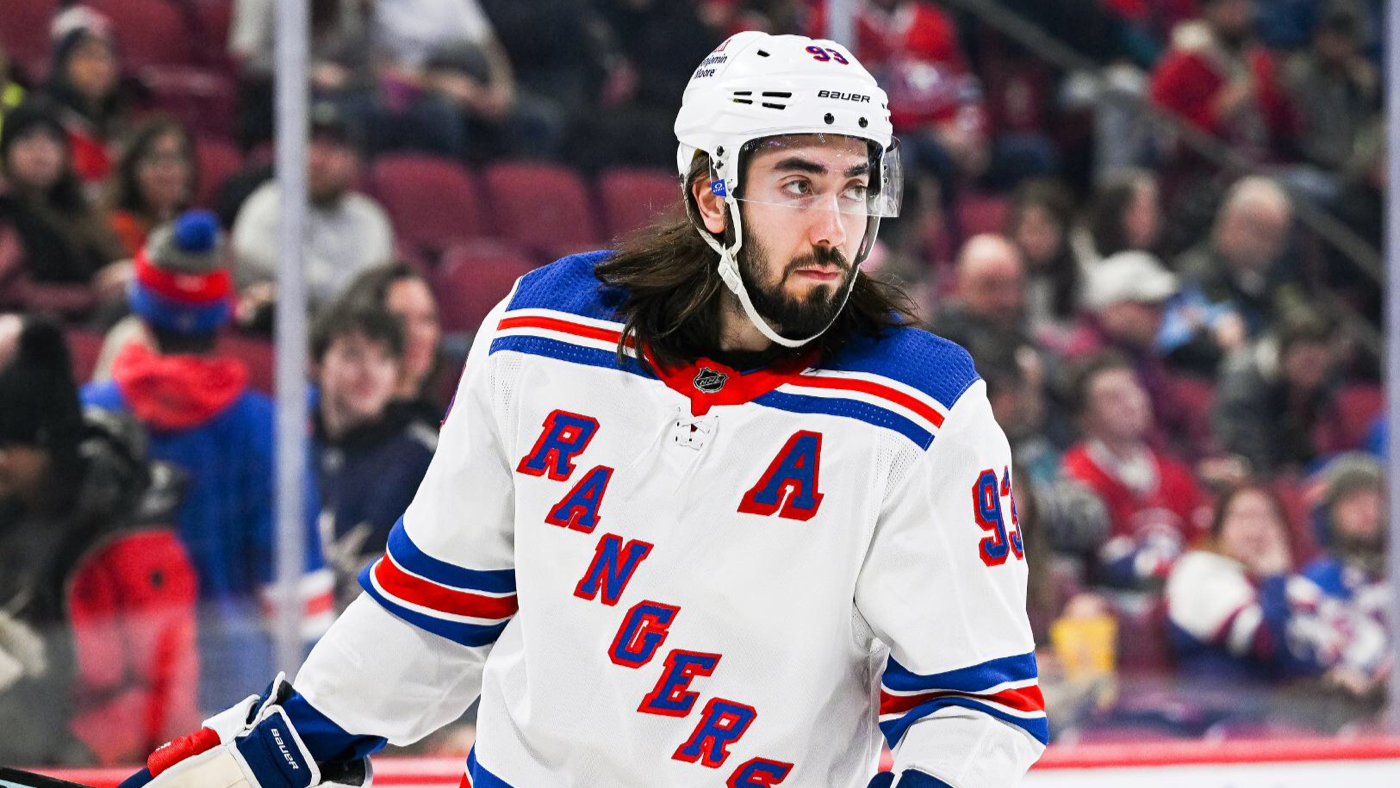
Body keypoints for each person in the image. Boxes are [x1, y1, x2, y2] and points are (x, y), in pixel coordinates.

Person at [125, 32, 1044, 788]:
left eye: (854, 187)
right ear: (711, 196)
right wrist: (284, 746)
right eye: (799, 185)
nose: (835, 229)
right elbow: (437, 601)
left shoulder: (921, 408)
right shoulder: (544, 333)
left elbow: (976, 704)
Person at [82, 210, 332, 709]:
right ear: (222, 315)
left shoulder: (93, 417)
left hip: (119, 686)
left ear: (141, 311)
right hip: (237, 693)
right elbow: (295, 587)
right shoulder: (268, 428)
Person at [0, 318, 200, 765]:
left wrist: (77, 757)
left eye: (8, 448)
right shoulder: (14, 517)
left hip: (113, 763)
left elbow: (160, 688)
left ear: (46, 447)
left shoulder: (130, 539)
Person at [1166, 483, 1386, 692]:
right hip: (1218, 708)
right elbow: (1267, 640)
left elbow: (1314, 653)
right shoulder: (1199, 570)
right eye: (1243, 516)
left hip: (1280, 708)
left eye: (1267, 518)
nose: (1255, 528)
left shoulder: (1289, 586)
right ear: (1219, 528)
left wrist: (1334, 674)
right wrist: (1275, 575)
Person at [311, 304, 437, 611]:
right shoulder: (289, 445)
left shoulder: (424, 456)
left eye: (383, 359)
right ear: (316, 363)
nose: (369, 372)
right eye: (352, 355)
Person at [232, 103, 394, 316]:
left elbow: (369, 290)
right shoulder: (265, 205)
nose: (318, 159)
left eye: (333, 148)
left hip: (347, 329)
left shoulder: (370, 219)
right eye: (310, 143)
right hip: (271, 330)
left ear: (356, 162)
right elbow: (258, 263)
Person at [1062, 353, 1208, 589]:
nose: (1130, 403)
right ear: (1085, 418)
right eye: (1112, 398)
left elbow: (1202, 544)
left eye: (1134, 390)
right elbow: (1105, 562)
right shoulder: (1075, 475)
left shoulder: (1175, 473)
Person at [0, 98, 128, 319]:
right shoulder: (5, 212)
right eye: (27, 138)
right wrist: (93, 295)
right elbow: (13, 293)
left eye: (51, 140)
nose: (40, 150)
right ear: (6, 153)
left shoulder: (78, 212)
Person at [1149, 0, 1297, 163]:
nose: (1239, 14)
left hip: (1266, 164)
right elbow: (1167, 145)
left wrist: (1281, 99)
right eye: (1230, 6)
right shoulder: (1180, 67)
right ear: (1209, 11)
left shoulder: (1259, 61)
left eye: (1243, 5)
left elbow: (1288, 132)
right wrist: (1218, 110)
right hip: (1208, 170)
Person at [1213, 308, 1343, 475]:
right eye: (1307, 364)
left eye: (1319, 367)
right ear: (1283, 355)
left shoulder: (1322, 385)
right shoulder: (1243, 386)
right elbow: (1253, 461)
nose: (1313, 375)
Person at [1174, 176, 1306, 341]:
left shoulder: (1277, 274)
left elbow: (1295, 312)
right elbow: (1220, 314)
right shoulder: (1199, 270)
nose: (1274, 247)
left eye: (1279, 237)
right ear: (1232, 223)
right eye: (1265, 234)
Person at [336, 263, 449, 418]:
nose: (417, 334)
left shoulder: (446, 423)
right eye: (400, 320)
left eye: (427, 319)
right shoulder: (334, 422)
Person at [41, 7, 132, 185]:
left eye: (106, 56)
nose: (99, 67)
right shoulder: (46, 120)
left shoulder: (123, 124)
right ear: (63, 63)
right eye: (88, 55)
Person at [1303, 453, 1387, 626]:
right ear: (1330, 514)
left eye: (1373, 499)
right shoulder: (1317, 582)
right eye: (1352, 500)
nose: (1366, 509)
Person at [105, 117, 198, 258]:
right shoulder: (115, 229)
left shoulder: (194, 227)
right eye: (155, 158)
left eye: (177, 158)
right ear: (133, 169)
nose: (168, 170)